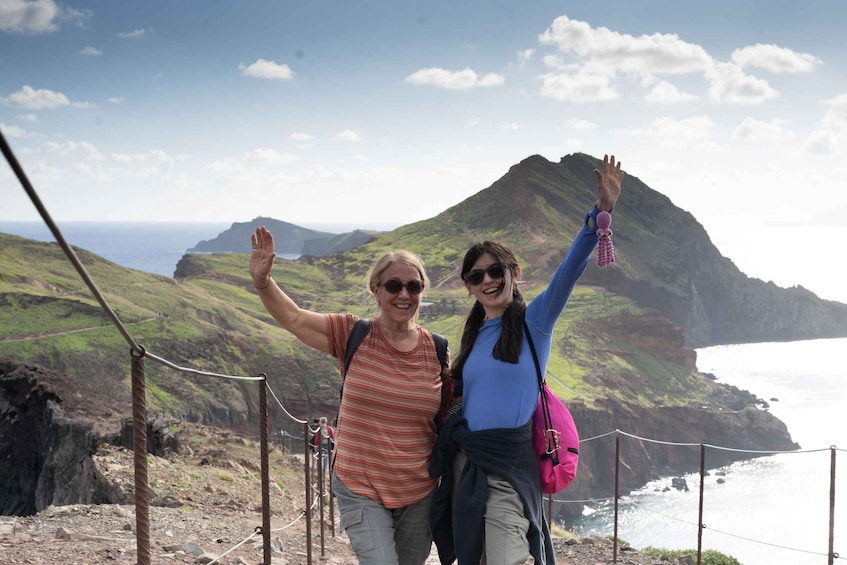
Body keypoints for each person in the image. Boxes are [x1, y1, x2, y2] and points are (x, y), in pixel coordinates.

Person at [430, 154, 624, 565]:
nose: (488, 280)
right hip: (466, 467)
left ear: (514, 271)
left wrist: (599, 214)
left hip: (507, 471)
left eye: (496, 269)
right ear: (468, 287)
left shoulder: (535, 322)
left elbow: (568, 272)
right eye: (477, 276)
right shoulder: (471, 337)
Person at [249, 229, 450, 565]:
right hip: (360, 485)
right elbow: (295, 318)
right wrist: (264, 282)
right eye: (393, 285)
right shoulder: (352, 333)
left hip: (419, 491)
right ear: (376, 289)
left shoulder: (437, 349)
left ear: (421, 291)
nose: (404, 294)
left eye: (413, 286)